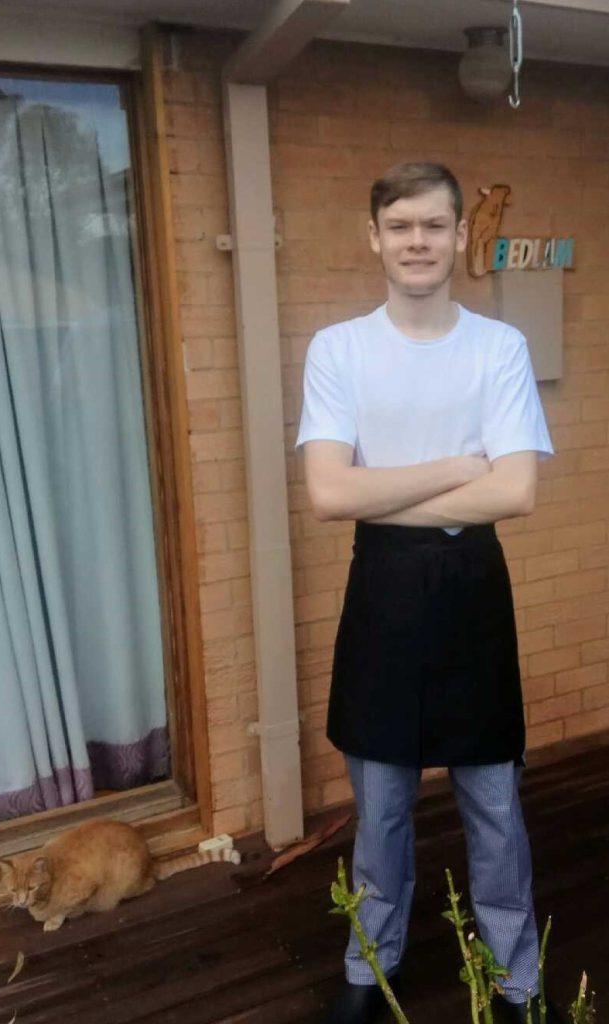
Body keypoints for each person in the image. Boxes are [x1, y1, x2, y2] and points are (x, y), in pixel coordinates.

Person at [296, 162, 560, 1024]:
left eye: (433, 226)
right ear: (373, 236)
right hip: (381, 594)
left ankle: (515, 978)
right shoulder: (338, 348)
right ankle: (368, 964)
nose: (417, 241)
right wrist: (455, 465)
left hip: (472, 591)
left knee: (493, 806)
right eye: (400, 225)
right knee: (378, 812)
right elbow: (330, 495)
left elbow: (514, 492)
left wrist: (388, 486)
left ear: (457, 238)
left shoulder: (498, 348)